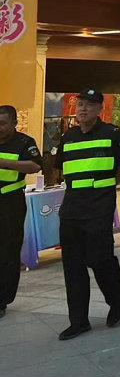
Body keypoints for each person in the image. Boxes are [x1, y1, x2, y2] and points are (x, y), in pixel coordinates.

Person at [54, 89, 120, 340]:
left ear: (100, 109)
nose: (83, 109)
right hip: (72, 208)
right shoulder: (68, 137)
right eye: (80, 105)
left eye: (89, 105)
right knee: (72, 265)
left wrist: (106, 187)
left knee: (100, 258)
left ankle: (118, 298)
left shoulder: (111, 133)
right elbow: (59, 168)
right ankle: (78, 321)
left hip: (99, 206)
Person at [0, 105, 43, 319]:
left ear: (14, 123)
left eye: (3, 123)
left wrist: (4, 163)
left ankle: (2, 299)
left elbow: (35, 166)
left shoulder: (24, 142)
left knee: (7, 251)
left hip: (10, 203)